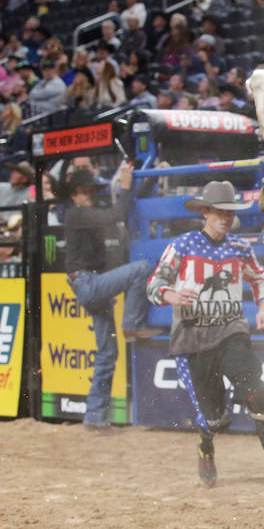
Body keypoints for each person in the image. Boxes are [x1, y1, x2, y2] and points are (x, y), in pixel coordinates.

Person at [146, 181, 264, 495]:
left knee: (259, 395)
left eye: (229, 212)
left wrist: (263, 308)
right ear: (205, 212)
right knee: (215, 419)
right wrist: (171, 295)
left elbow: (260, 278)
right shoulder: (183, 245)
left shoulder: (240, 249)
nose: (225, 218)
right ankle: (206, 446)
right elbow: (154, 285)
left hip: (232, 332)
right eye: (219, 212)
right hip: (193, 339)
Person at [63, 164, 160, 432]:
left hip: (90, 283)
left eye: (90, 191)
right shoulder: (77, 214)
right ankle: (132, 324)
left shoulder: (83, 214)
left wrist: (142, 183)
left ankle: (94, 417)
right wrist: (127, 186)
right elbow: (117, 213)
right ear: (74, 195)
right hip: (90, 282)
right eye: (83, 191)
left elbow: (121, 209)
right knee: (142, 268)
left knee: (107, 353)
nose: (88, 195)